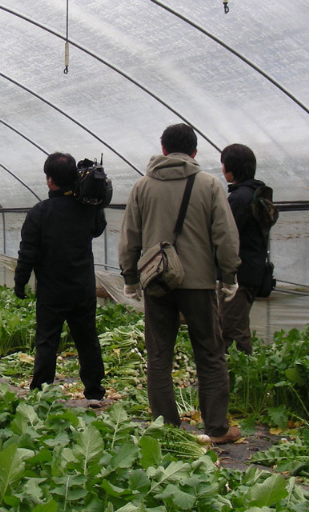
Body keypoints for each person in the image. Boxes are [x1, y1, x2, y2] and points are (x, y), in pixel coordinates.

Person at [118, 123, 242, 444]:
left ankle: (166, 427)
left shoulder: (142, 187)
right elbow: (225, 236)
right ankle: (216, 428)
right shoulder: (210, 185)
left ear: (162, 150)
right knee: (210, 354)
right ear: (194, 152)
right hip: (198, 283)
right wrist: (229, 275)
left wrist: (131, 277)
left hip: (156, 281)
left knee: (159, 354)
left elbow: (129, 236)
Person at [14, 152, 107, 402]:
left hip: (52, 291)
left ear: (49, 179)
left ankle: (42, 392)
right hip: (82, 287)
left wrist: (20, 282)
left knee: (47, 340)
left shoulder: (40, 212)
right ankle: (95, 392)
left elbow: (28, 252)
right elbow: (98, 229)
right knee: (87, 339)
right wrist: (95, 205)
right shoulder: (86, 207)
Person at [219, 144, 270, 355]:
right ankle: (223, 374)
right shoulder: (258, 193)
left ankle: (244, 374)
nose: (222, 169)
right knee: (229, 324)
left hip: (240, 274)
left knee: (234, 328)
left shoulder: (239, 199)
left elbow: (226, 236)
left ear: (231, 169)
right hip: (254, 270)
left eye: (223, 165)